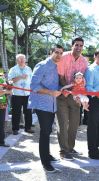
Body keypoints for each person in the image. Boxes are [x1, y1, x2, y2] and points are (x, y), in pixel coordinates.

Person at [27, 44, 63, 173]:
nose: (58, 55)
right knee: (45, 132)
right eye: (56, 52)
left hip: (51, 103)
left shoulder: (55, 66)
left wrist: (59, 90)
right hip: (42, 104)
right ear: (51, 52)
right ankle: (45, 163)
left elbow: (51, 85)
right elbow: (33, 86)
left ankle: (47, 155)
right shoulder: (42, 65)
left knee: (47, 131)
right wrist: (50, 92)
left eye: (60, 53)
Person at [57, 36, 88, 160]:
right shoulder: (63, 57)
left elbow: (82, 82)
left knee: (75, 124)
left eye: (81, 45)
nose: (79, 47)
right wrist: (68, 90)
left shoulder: (84, 62)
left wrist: (81, 95)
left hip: (76, 97)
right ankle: (63, 152)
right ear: (72, 46)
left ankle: (70, 148)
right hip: (62, 96)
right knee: (63, 123)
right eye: (76, 45)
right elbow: (60, 78)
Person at [8, 54, 34, 135]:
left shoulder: (29, 69)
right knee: (16, 112)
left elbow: (32, 80)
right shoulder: (13, 69)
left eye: (23, 59)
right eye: (20, 59)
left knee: (28, 112)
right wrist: (20, 77)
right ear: (17, 60)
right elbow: (10, 81)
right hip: (17, 94)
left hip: (27, 93)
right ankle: (15, 129)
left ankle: (28, 127)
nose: (22, 60)